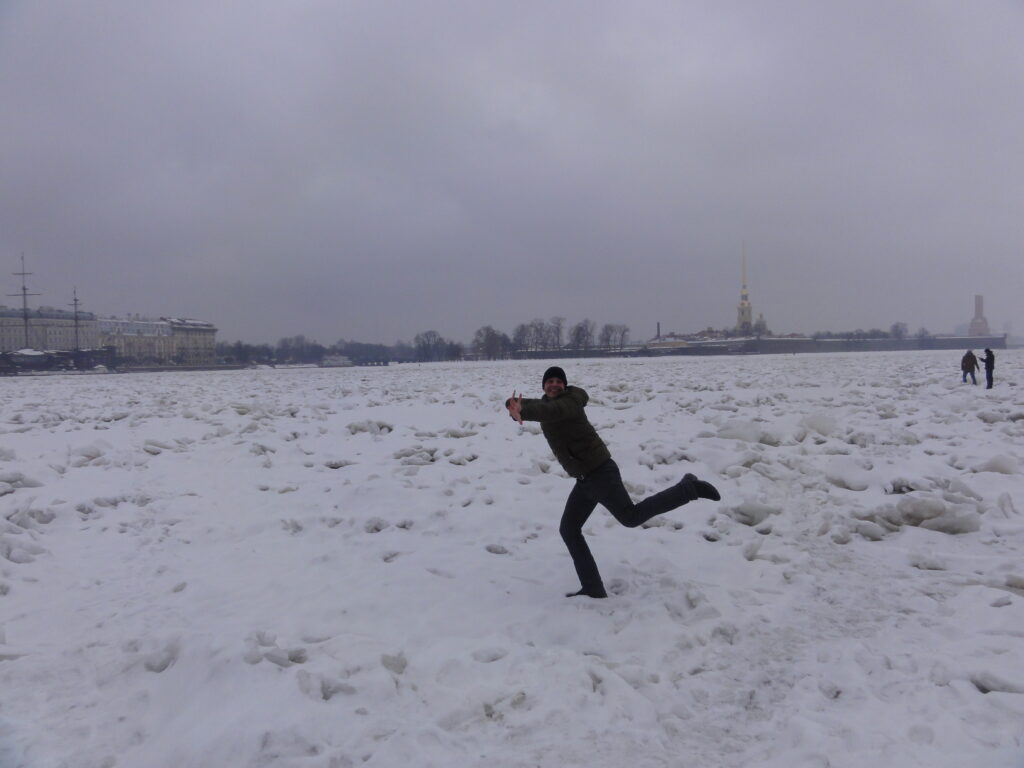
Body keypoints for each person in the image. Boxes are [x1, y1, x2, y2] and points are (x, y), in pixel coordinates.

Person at [506, 366, 720, 599]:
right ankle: (593, 588)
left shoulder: (571, 401)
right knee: (569, 529)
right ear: (544, 386)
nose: (554, 384)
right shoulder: (546, 404)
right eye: (550, 381)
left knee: (630, 517)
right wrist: (513, 405)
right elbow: (538, 406)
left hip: (600, 472)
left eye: (559, 381)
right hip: (584, 479)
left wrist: (524, 411)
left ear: (565, 385)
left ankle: (688, 489)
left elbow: (552, 410)